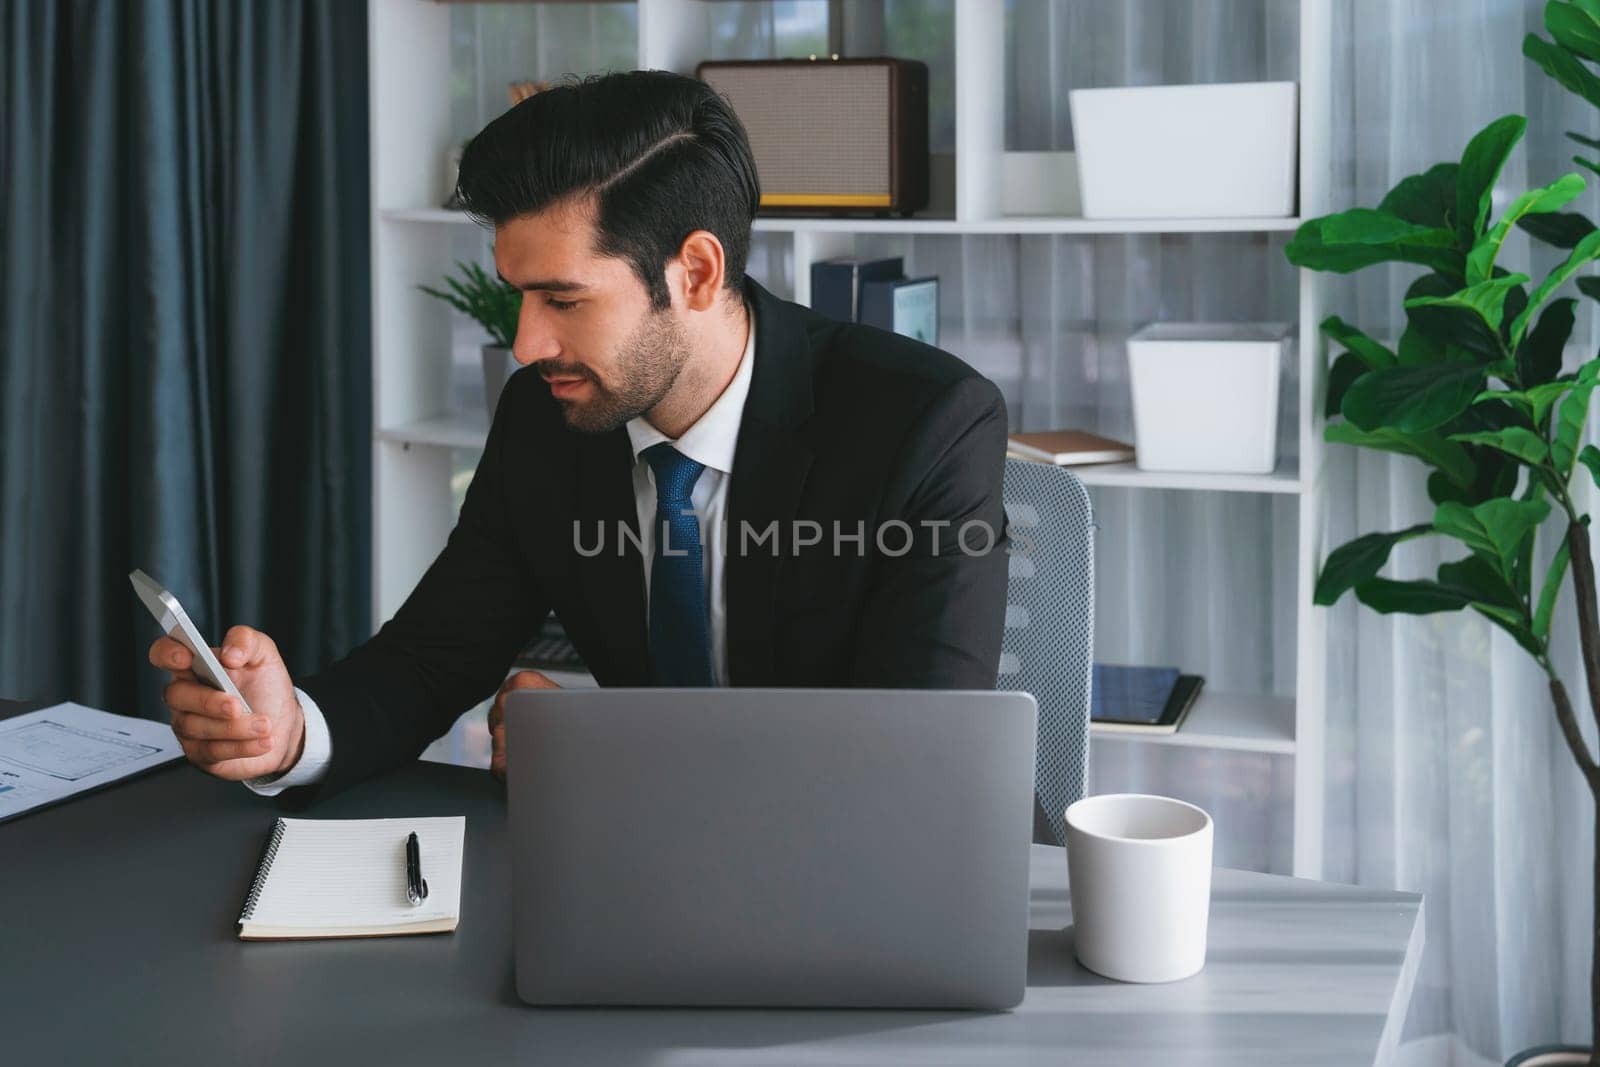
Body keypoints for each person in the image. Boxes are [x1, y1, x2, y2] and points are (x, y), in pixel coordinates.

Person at [151, 69, 1009, 804]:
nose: (526, 345)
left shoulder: (924, 425)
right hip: (621, 885)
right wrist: (292, 729)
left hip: (846, 900)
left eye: (563, 300)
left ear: (697, 273)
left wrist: (602, 753)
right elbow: (431, 654)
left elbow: (913, 762)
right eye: (518, 295)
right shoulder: (548, 417)